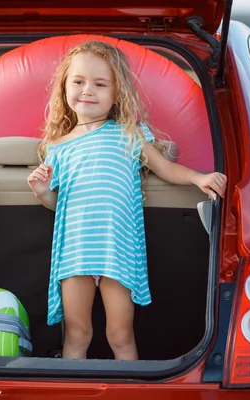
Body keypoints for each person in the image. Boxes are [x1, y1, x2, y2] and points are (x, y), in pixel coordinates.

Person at [27, 40, 227, 361]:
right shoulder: (57, 146)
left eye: (100, 84)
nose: (87, 90)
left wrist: (198, 178)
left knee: (120, 334)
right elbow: (58, 204)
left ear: (116, 92)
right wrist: (43, 191)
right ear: (65, 87)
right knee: (77, 334)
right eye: (78, 81)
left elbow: (165, 168)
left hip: (116, 251)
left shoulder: (130, 133)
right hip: (75, 251)